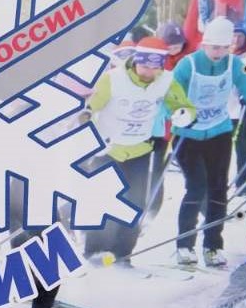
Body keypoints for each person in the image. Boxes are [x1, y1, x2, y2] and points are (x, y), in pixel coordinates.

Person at [83, 37, 194, 262]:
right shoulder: (113, 79)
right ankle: (94, 250)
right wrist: (85, 117)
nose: (149, 72)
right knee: (104, 199)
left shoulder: (166, 81)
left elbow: (183, 106)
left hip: (139, 149)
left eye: (155, 67)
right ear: (136, 61)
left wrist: (184, 114)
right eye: (145, 66)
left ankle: (123, 252)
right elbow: (91, 106)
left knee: (135, 202)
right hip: (109, 149)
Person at [168, 16, 246, 268]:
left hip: (219, 132)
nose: (219, 53)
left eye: (224, 47)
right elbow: (171, 94)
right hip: (188, 134)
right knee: (196, 187)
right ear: (205, 44)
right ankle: (184, 245)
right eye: (215, 47)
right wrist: (177, 111)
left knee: (218, 189)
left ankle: (213, 245)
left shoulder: (235, 64)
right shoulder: (187, 65)